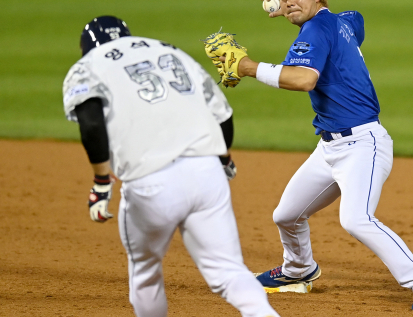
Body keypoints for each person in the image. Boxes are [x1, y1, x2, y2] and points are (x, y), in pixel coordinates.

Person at [213, 0, 413, 311]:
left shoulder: (316, 30)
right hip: (330, 148)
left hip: (364, 145)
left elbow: (303, 79)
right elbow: (357, 19)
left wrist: (248, 67)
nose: (288, 0)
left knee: (356, 219)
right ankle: (299, 269)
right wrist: (291, 10)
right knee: (286, 215)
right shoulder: (341, 22)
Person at [62, 16, 280, 317]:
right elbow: (223, 115)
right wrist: (223, 158)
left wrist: (102, 181)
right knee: (230, 272)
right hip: (207, 176)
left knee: (146, 272)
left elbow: (90, 123)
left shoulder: (87, 65)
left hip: (151, 184)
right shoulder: (169, 51)